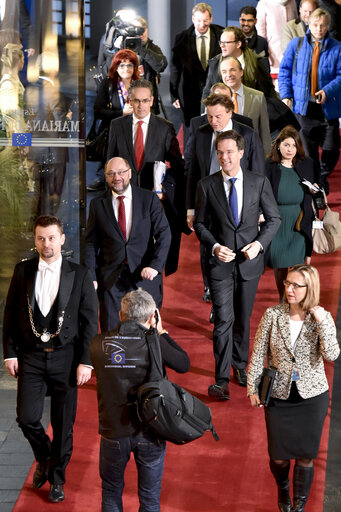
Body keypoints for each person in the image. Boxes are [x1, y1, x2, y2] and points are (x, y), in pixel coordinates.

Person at [2, 215, 98, 503]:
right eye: (41, 238)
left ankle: (57, 479)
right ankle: (44, 458)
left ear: (62, 239)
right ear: (35, 240)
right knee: (27, 417)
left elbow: (90, 323)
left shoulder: (79, 275)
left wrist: (87, 361)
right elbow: (8, 315)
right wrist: (9, 353)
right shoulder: (22, 272)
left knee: (63, 424)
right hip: (30, 356)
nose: (47, 244)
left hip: (66, 358)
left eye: (52, 238)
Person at [194, 130, 281, 399]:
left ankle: (240, 366)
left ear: (241, 153)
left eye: (230, 151)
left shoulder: (258, 182)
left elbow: (274, 219)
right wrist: (216, 246)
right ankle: (221, 379)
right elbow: (199, 224)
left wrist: (258, 244)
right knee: (223, 320)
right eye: (220, 152)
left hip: (249, 264)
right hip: (219, 264)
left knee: (243, 319)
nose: (225, 157)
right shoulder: (206, 185)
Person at [247, 264, 340, 512]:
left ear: (310, 289)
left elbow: (332, 354)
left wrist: (321, 322)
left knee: (305, 455)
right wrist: (252, 389)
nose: (289, 289)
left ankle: (299, 504)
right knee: (278, 456)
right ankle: (283, 489)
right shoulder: (272, 315)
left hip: (312, 398)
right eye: (287, 283)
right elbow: (258, 355)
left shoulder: (322, 318)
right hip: (278, 396)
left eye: (296, 285)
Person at [90, 289, 190, 512]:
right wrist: (161, 332)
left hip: (113, 430)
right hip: (150, 430)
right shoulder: (155, 343)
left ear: (120, 314)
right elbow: (184, 363)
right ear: (152, 317)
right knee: (150, 498)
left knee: (111, 492)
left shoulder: (98, 344)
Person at [107, 79, 185, 276]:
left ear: (152, 101)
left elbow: (178, 166)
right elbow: (109, 163)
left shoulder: (164, 127)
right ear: (129, 101)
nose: (140, 105)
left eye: (145, 100)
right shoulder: (117, 126)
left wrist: (163, 188)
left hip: (153, 201)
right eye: (136, 101)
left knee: (150, 248)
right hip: (124, 199)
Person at [84, 156, 171, 332]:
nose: (117, 177)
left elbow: (164, 234)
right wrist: (91, 276)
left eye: (121, 172)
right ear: (106, 177)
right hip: (111, 278)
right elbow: (90, 243)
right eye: (111, 173)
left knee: (147, 331)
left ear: (129, 173)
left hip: (144, 276)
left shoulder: (148, 199)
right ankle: (114, 360)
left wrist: (155, 266)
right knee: (112, 332)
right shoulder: (97, 205)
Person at [278, 8, 341, 194]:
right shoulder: (295, 45)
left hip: (328, 107)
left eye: (322, 25)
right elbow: (284, 72)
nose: (319, 29)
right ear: (309, 24)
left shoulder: (337, 48)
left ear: (328, 26)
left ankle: (321, 178)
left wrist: (327, 91)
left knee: (332, 149)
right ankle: (315, 188)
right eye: (315, 25)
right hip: (303, 108)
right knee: (308, 152)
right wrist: (286, 95)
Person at [265, 126, 320, 299]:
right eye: (286, 145)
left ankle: (293, 298)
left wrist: (315, 190)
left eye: (294, 146)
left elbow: (320, 185)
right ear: (279, 145)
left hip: (299, 221)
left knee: (296, 264)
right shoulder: (269, 166)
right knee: (279, 264)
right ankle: (283, 298)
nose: (290, 149)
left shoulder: (307, 164)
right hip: (277, 222)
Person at [87, 49, 140, 192]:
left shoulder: (140, 84)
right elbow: (98, 110)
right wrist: (121, 113)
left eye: (130, 65)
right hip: (113, 133)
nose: (126, 69)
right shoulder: (108, 84)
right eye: (121, 65)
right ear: (115, 67)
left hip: (136, 132)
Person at [170, 2, 223, 132]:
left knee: (216, 129)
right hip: (189, 94)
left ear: (211, 18)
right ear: (193, 19)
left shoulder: (222, 34)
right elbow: (175, 67)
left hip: (215, 91)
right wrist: (174, 94)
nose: (202, 24)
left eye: (205, 20)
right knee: (192, 131)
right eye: (198, 20)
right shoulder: (181, 38)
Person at [201, 26, 277, 102]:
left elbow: (268, 92)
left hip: (251, 110)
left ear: (238, 44)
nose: (222, 46)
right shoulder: (215, 63)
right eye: (221, 42)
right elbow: (207, 93)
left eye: (226, 42)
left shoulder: (258, 62)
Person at [219, 56, 272, 154]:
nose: (229, 75)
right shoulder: (215, 100)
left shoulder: (258, 97)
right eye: (224, 72)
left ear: (241, 72)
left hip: (250, 156)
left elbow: (265, 135)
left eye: (232, 70)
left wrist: (266, 163)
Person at [256, 0, 297, 76]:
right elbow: (260, 34)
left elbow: (296, 27)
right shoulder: (263, 3)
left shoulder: (292, 2)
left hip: (291, 54)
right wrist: (267, 55)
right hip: (273, 55)